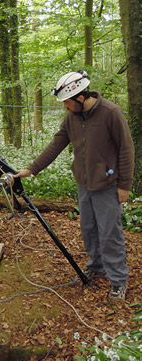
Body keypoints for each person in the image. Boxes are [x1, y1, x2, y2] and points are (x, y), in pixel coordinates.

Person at [14, 70, 135, 300]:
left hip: (108, 185)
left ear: (80, 97)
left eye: (67, 102)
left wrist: (124, 186)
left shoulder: (111, 113)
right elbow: (56, 144)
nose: (65, 108)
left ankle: (118, 280)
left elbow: (126, 150)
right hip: (84, 184)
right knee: (89, 228)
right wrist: (31, 169)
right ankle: (96, 265)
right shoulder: (72, 117)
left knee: (110, 234)